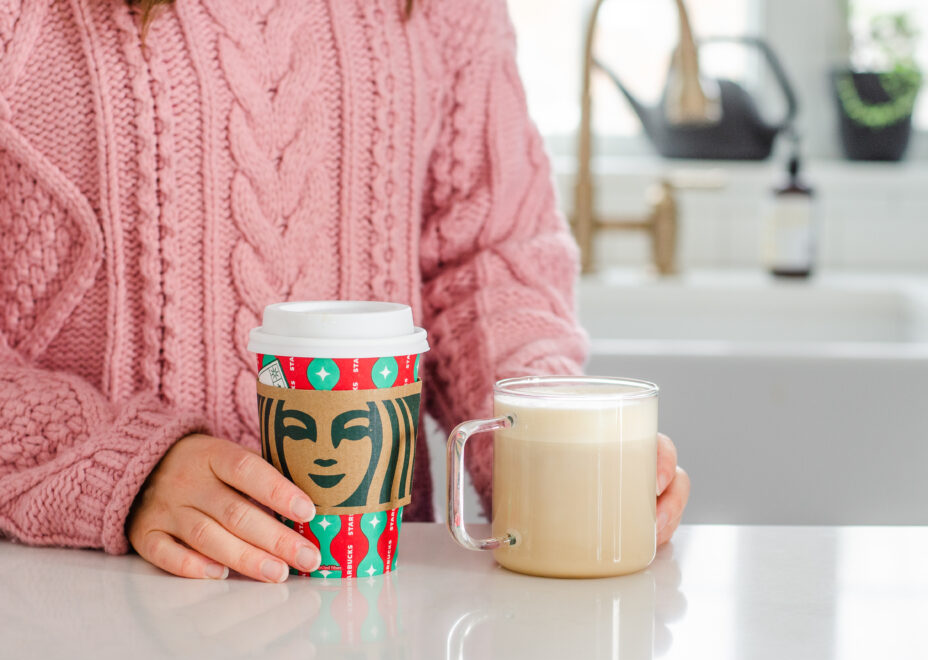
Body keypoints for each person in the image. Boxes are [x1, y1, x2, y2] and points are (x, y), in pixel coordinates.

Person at [0, 0, 689, 582]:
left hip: (378, 604)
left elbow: (484, 258)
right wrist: (122, 464)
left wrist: (536, 436)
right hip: (89, 593)